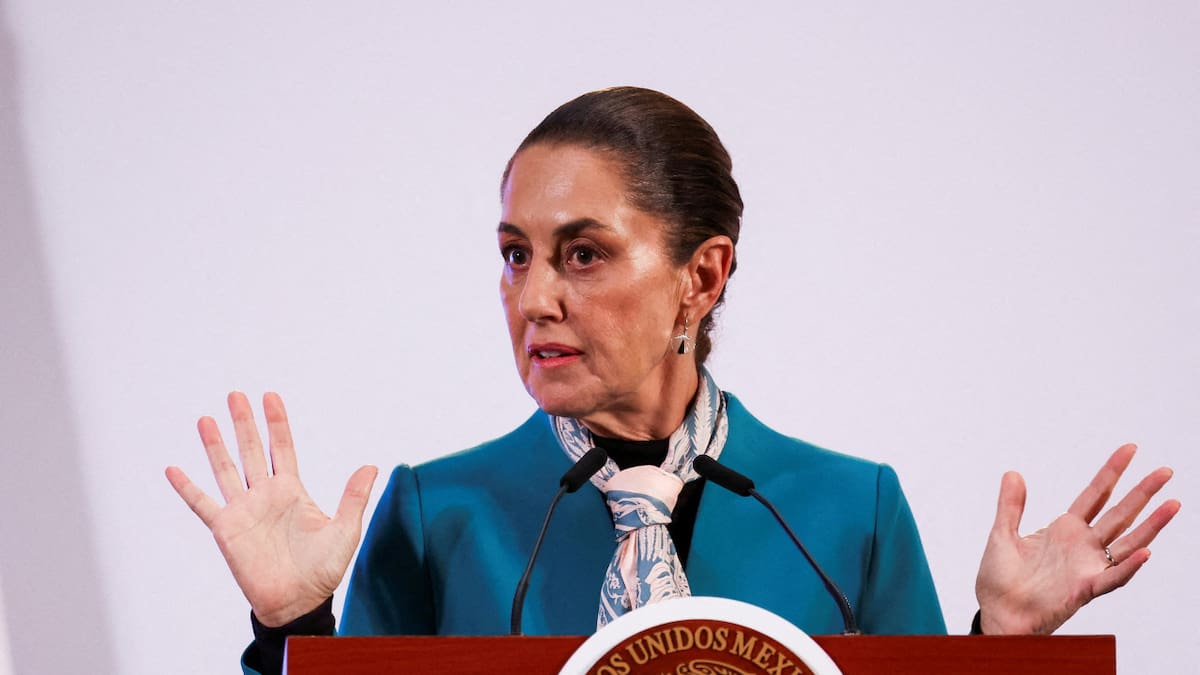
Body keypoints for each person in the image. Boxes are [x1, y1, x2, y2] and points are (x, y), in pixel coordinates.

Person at [165, 87, 1180, 674]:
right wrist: (291, 628)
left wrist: (996, 651)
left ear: (702, 277)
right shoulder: (434, 514)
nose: (534, 299)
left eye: (584, 254)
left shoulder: (849, 508)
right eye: (517, 254)